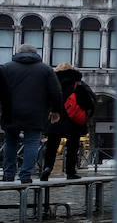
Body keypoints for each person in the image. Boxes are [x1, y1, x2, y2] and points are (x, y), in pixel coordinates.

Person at [0, 44, 62, 185]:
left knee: (10, 141)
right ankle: (25, 175)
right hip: (36, 111)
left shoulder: (6, 68)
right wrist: (56, 110)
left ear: (18, 53)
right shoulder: (46, 69)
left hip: (11, 110)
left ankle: (9, 174)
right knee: (32, 142)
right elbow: (56, 92)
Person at [41, 63, 96, 181]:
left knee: (51, 146)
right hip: (73, 119)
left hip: (56, 117)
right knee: (72, 146)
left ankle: (47, 168)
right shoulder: (78, 84)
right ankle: (71, 172)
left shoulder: (51, 83)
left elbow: (45, 101)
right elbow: (89, 101)